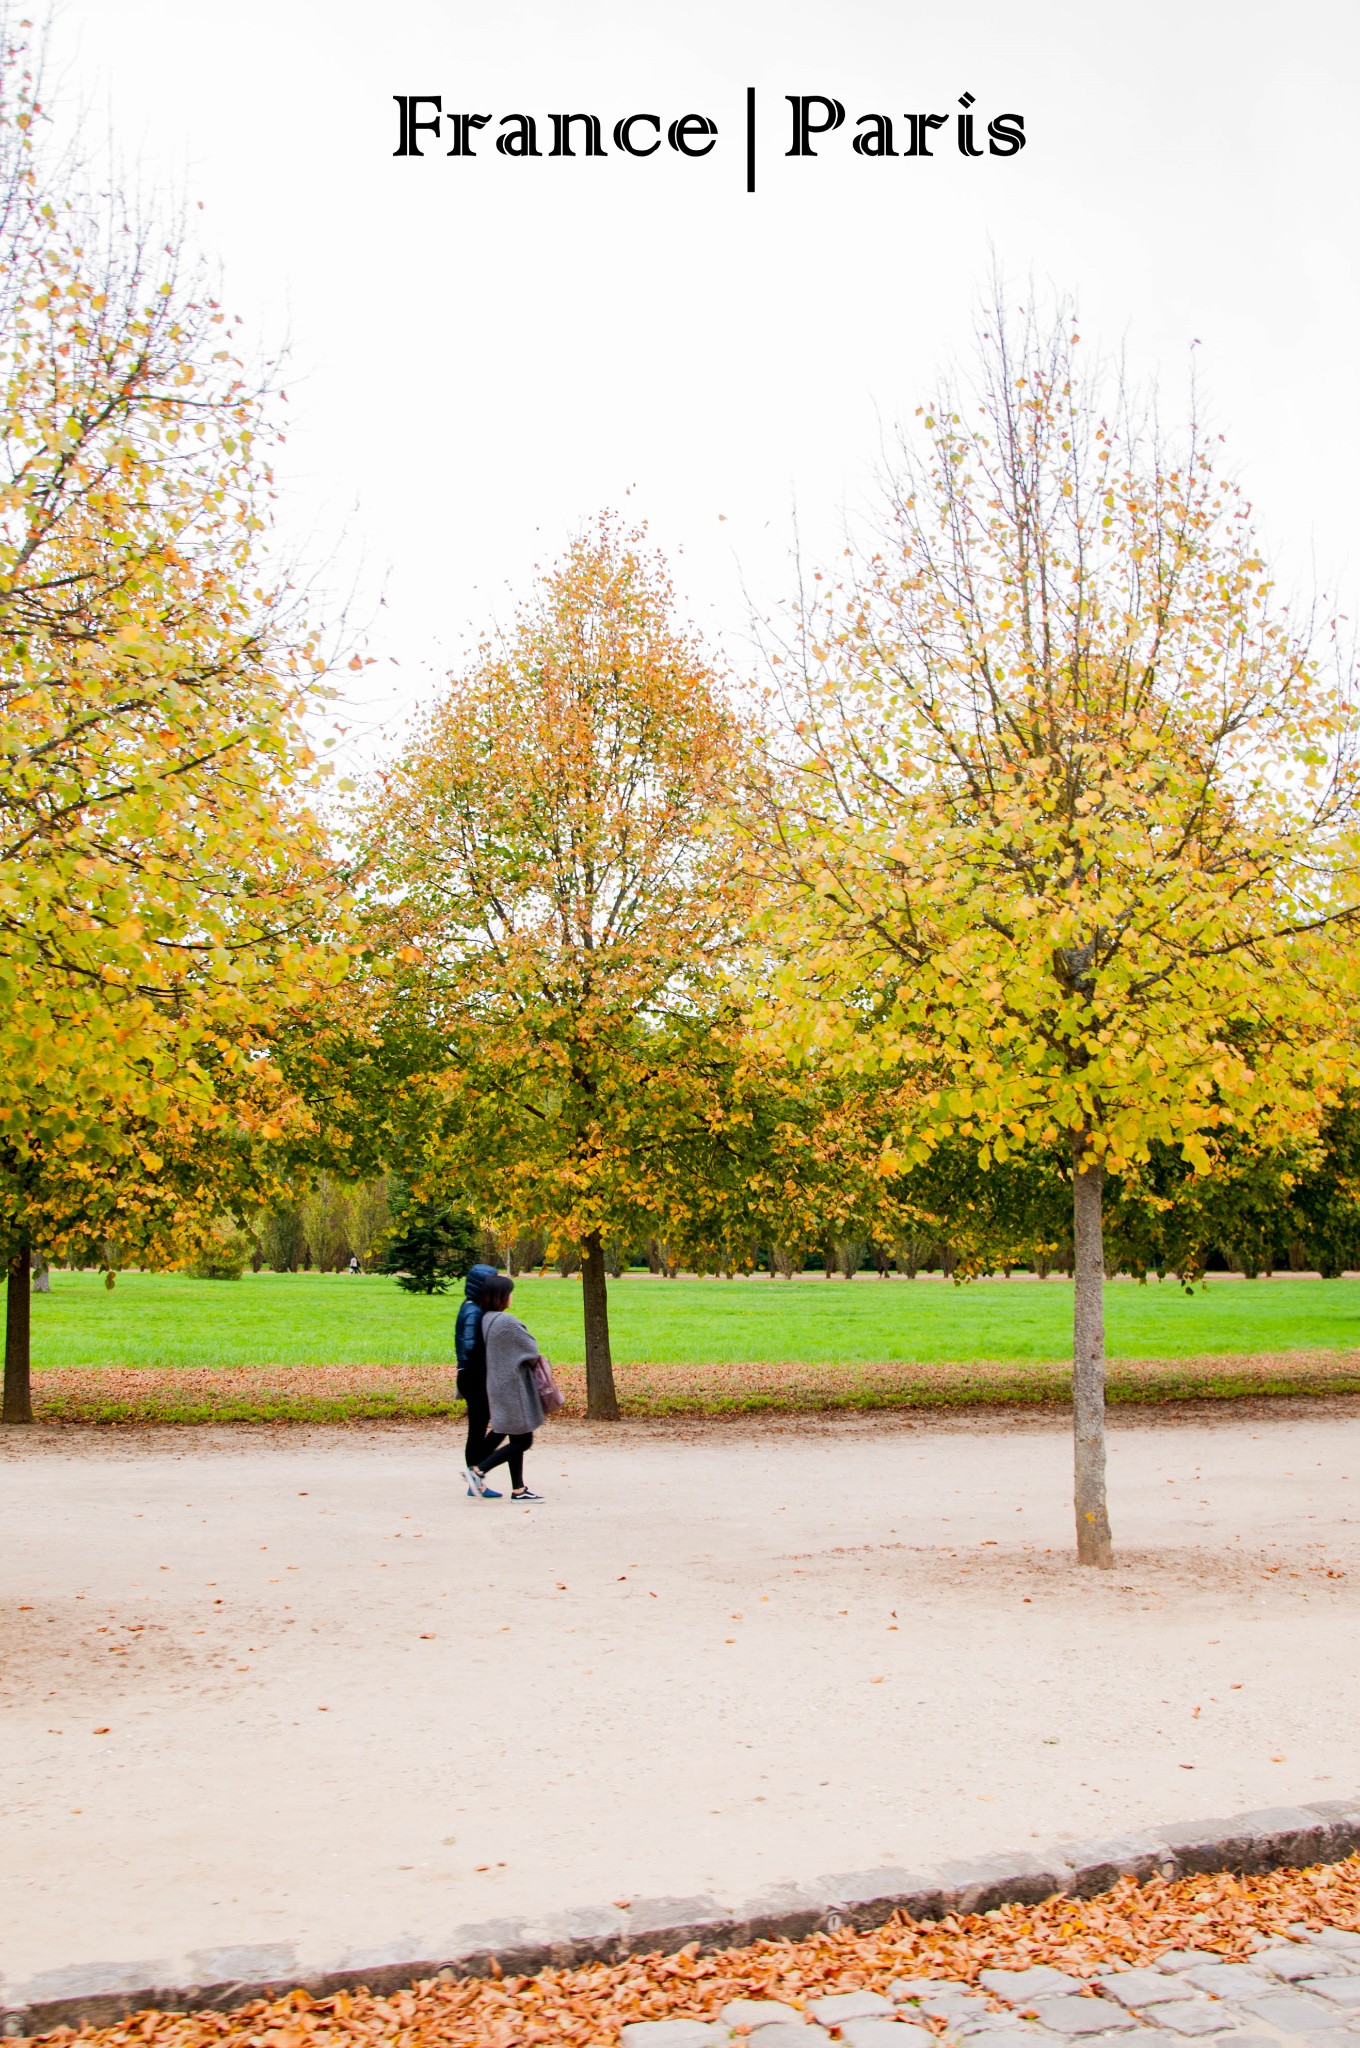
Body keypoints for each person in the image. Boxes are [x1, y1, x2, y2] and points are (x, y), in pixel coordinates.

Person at [467, 1273, 545, 1503]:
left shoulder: (486, 1319)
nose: (511, 1296)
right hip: (513, 1388)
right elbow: (531, 1349)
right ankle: (478, 1471)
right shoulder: (506, 1322)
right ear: (501, 1297)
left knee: (511, 1436)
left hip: (498, 1385)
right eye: (509, 1292)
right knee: (524, 1440)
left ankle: (519, 1489)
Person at [455, 1262, 503, 1498]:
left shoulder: (473, 1307)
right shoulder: (474, 1310)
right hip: (475, 1377)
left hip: (472, 1376)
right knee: (492, 1426)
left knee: (478, 1429)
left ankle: (475, 1478)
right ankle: (475, 1474)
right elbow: (471, 1346)